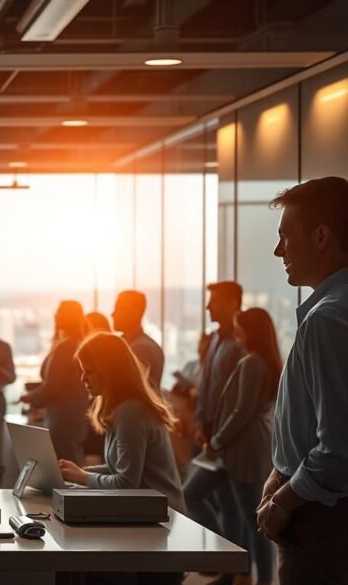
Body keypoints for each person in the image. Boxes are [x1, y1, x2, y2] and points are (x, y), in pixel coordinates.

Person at [258, 177, 348, 583]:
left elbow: (338, 449)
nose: (279, 251)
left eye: (285, 238)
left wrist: (282, 500)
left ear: (321, 236)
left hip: (320, 518)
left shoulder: (327, 320)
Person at [58, 333, 186, 585]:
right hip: (148, 518)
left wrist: (83, 477)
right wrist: (77, 473)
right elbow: (119, 467)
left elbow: (126, 483)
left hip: (160, 525)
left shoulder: (131, 413)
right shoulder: (123, 408)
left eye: (90, 371)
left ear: (109, 371)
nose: (83, 379)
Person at [204, 308, 279, 585]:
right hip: (251, 445)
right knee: (247, 515)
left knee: (252, 519)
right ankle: (244, 574)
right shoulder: (264, 361)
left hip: (244, 447)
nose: (236, 334)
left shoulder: (253, 363)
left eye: (239, 328)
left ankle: (260, 578)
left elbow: (241, 411)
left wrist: (217, 441)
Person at [183, 281, 244, 567]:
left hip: (226, 441)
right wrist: (199, 424)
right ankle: (230, 566)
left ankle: (224, 559)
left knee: (191, 495)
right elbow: (206, 386)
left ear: (233, 304)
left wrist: (217, 437)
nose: (208, 307)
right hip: (212, 436)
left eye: (215, 301)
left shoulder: (239, 344)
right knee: (231, 508)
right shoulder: (217, 340)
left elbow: (235, 400)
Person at [21, 300, 89, 463]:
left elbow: (53, 386)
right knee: (69, 462)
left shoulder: (66, 347)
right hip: (73, 416)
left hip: (63, 419)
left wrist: (29, 397)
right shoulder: (76, 343)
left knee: (64, 465)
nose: (55, 315)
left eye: (59, 312)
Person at [111, 290, 164, 392]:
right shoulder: (135, 344)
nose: (113, 314)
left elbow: (126, 389)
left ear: (135, 313)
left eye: (119, 309)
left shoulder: (142, 349)